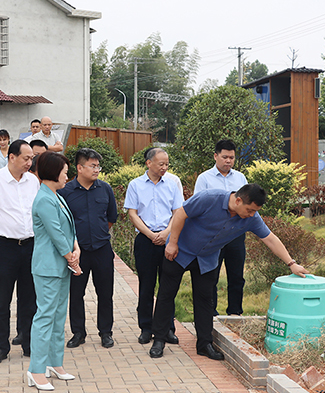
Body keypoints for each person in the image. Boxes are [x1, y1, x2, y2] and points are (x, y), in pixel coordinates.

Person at [149, 184, 308, 360]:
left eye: (255, 211)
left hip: (206, 259)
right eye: (250, 210)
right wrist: (172, 243)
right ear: (238, 200)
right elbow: (181, 213)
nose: (252, 215)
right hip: (179, 252)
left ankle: (204, 344)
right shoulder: (209, 198)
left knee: (205, 300)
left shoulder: (251, 218)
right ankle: (159, 340)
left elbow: (270, 239)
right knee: (166, 295)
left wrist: (291, 263)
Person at [0, 139, 40, 365]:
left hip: (30, 247)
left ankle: (29, 343)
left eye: (31, 158)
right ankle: (1, 347)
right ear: (11, 157)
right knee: (1, 300)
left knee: (29, 299)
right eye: (26, 158)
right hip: (3, 248)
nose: (29, 162)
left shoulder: (33, 181)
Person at [27, 151, 82, 391]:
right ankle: (36, 370)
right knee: (45, 317)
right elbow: (56, 234)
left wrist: (76, 248)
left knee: (59, 316)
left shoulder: (56, 196)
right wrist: (72, 259)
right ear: (53, 172)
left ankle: (54, 362)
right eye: (65, 172)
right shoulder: (44, 199)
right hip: (48, 266)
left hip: (61, 265)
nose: (67, 176)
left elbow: (69, 229)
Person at [59, 148, 118, 349]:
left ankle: (106, 332)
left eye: (98, 166)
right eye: (92, 166)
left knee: (105, 293)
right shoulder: (66, 192)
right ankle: (78, 333)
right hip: (78, 252)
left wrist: (97, 233)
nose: (96, 170)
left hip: (102, 249)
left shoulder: (105, 189)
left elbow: (111, 218)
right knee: (76, 294)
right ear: (79, 168)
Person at [124, 148, 183, 345]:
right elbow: (132, 213)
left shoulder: (172, 184)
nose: (165, 167)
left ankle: (168, 328)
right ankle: (146, 328)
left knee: (168, 286)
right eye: (161, 164)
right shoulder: (135, 185)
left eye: (167, 164)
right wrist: (150, 234)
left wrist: (166, 233)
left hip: (168, 240)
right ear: (149, 163)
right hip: (145, 240)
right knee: (146, 286)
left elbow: (177, 212)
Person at [194, 139, 249, 316]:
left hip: (235, 234)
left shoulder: (240, 178)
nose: (228, 161)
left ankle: (235, 313)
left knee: (237, 277)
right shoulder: (204, 179)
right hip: (213, 236)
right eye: (225, 157)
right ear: (215, 156)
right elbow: (197, 207)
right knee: (211, 276)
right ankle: (210, 314)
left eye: (231, 157)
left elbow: (246, 205)